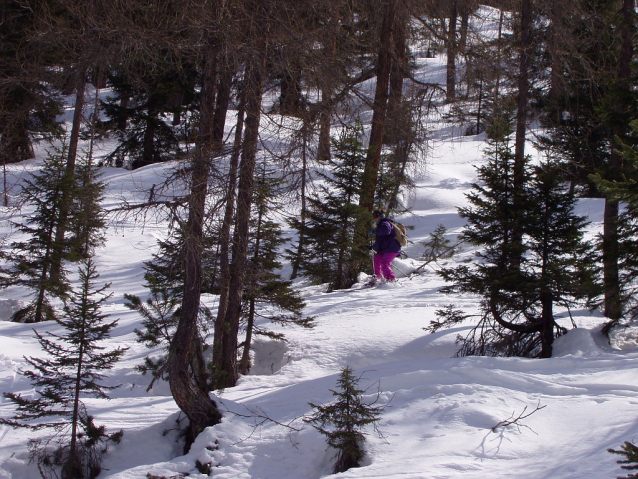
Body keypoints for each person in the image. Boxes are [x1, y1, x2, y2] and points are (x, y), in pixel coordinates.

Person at [368, 208, 401, 282]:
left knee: (385, 263)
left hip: (391, 248)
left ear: (379, 216)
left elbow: (386, 231)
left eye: (375, 216)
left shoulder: (385, 223)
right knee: (376, 260)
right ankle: (377, 278)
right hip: (385, 249)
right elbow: (381, 241)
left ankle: (391, 280)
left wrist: (374, 232)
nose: (374, 218)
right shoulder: (381, 225)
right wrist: (373, 247)